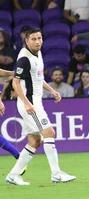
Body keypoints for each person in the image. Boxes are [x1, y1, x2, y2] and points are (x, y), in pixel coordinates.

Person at [6, 28, 76, 186]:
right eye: (34, 39)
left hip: (34, 102)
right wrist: (26, 103)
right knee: (49, 133)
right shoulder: (24, 59)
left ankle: (13, 175)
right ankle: (56, 174)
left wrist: (52, 90)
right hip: (30, 103)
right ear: (27, 41)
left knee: (35, 141)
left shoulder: (38, 54)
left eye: (40, 38)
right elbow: (15, 82)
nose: (38, 42)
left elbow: (37, 78)